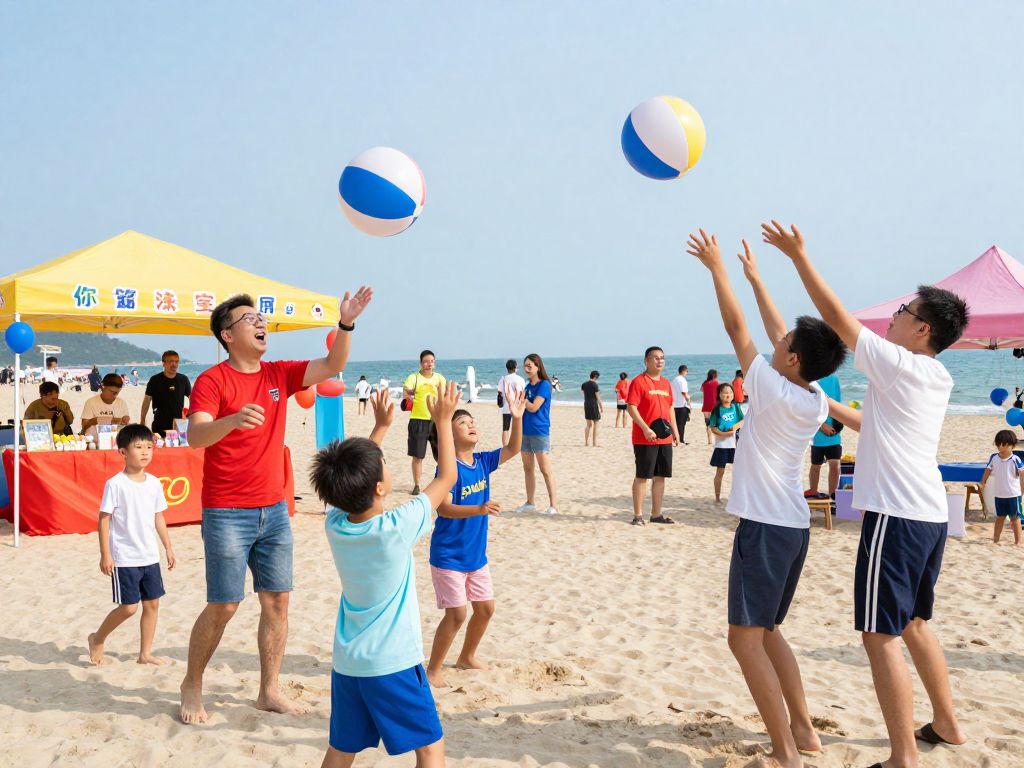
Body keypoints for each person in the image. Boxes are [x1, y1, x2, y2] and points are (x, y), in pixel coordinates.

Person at [764, 219, 969, 763]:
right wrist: (814, 397)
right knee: (914, 623)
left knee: (880, 636)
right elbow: (870, 425)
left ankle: (904, 756)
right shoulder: (932, 378)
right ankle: (947, 723)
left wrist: (798, 257)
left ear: (923, 329)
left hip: (896, 515)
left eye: (905, 312)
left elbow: (837, 319)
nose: (896, 316)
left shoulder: (901, 364)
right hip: (928, 515)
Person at [688, 229, 846, 768]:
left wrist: (719, 271)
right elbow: (783, 332)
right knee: (769, 630)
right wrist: (758, 278)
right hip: (793, 528)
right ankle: (804, 731)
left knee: (744, 640)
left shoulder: (774, 386)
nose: (773, 343)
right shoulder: (814, 393)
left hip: (765, 527)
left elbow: (738, 328)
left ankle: (785, 752)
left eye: (782, 347)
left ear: (793, 360)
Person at [178, 286, 372, 725]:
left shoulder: (278, 374)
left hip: (274, 510)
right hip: (226, 511)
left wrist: (345, 324)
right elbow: (196, 436)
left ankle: (269, 689)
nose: (261, 322)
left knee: (277, 603)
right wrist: (231, 419)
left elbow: (333, 365)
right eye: (249, 319)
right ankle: (192, 684)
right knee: (225, 604)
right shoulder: (213, 380)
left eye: (261, 318)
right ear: (227, 335)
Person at [309, 383, 460, 767]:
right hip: (392, 663)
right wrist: (443, 421)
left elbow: (348, 482)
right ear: (379, 487)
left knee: (342, 749)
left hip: (348, 664)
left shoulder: (336, 523)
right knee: (430, 746)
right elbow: (447, 478)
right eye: (384, 466)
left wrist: (379, 427)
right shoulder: (395, 527)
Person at [426, 390, 525, 688]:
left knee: (485, 609)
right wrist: (479, 508)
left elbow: (513, 449)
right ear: (447, 435)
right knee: (456, 614)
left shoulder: (482, 461)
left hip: (475, 556)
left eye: (472, 420)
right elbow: (443, 508)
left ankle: (466, 657)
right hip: (448, 555)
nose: (471, 424)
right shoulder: (448, 469)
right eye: (462, 422)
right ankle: (433, 670)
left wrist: (517, 418)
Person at [88, 424, 177, 666]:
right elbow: (104, 519)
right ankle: (98, 637)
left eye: (149, 446)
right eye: (138, 447)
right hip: (124, 556)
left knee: (153, 604)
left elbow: (159, 516)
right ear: (123, 453)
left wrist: (168, 547)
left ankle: (145, 654)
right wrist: (105, 554)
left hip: (149, 555)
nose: (145, 452)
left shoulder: (154, 483)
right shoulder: (115, 484)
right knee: (128, 608)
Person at [626, 346, 679, 526]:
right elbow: (631, 407)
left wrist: (675, 431)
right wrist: (645, 428)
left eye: (662, 358)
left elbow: (670, 407)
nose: (660, 361)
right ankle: (638, 515)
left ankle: (656, 514)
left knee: (661, 476)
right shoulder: (638, 382)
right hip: (644, 438)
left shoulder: (666, 383)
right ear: (647, 360)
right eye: (655, 358)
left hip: (664, 437)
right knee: (643, 476)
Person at [517, 353, 559, 515]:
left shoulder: (544, 385)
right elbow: (522, 408)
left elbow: (534, 407)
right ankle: (530, 502)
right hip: (524, 431)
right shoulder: (527, 387)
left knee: (545, 469)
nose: (527, 369)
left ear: (538, 367)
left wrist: (522, 399)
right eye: (525, 366)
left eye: (530, 366)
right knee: (528, 468)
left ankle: (553, 505)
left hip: (539, 431)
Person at [403, 351, 446, 496]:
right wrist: (410, 394)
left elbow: (444, 396)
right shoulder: (413, 377)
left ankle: (442, 481)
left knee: (441, 455)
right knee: (418, 456)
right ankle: (417, 485)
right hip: (418, 420)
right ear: (421, 363)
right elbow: (406, 392)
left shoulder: (440, 378)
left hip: (436, 420)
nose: (429, 364)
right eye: (426, 361)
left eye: (432, 361)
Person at [981, 430, 1023, 545]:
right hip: (999, 494)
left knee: (1015, 518)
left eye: (1004, 444)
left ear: (1012, 445)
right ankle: (996, 539)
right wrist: (983, 482)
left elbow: (1022, 474)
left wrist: (1022, 490)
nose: (1001, 447)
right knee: (1000, 517)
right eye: (998, 444)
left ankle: (1018, 541)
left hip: (1013, 494)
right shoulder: (994, 457)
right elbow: (988, 470)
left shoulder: (1015, 459)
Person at [807, 373, 842, 499]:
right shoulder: (810, 380)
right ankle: (813, 490)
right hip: (817, 432)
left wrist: (838, 425)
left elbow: (838, 403)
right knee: (816, 465)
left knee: (835, 464)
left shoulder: (834, 378)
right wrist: (822, 426)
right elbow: (808, 406)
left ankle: (833, 495)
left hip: (833, 430)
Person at [140, 351, 192, 437]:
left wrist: (190, 416)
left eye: (176, 361)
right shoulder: (155, 380)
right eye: (171, 361)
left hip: (178, 426)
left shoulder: (183, 379)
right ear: (163, 364)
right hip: (159, 425)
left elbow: (193, 399)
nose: (174, 364)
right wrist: (142, 420)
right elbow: (147, 401)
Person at [708, 383, 743, 503]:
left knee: (738, 472)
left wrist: (733, 429)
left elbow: (742, 421)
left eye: (730, 392)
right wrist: (724, 434)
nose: (727, 395)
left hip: (735, 445)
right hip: (722, 446)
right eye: (724, 392)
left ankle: (736, 496)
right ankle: (717, 497)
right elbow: (713, 427)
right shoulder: (717, 410)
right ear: (719, 395)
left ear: (733, 395)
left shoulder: (736, 407)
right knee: (720, 472)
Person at [496, 359, 526, 447]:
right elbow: (523, 393)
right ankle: (519, 444)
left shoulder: (503, 379)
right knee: (519, 427)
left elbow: (500, 392)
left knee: (505, 428)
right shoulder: (520, 379)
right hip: (518, 407)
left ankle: (505, 446)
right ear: (516, 368)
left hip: (506, 407)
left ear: (507, 368)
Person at [581, 370, 602, 447]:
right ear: (595, 377)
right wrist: (601, 407)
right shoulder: (594, 385)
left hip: (586, 404)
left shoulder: (584, 384)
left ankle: (586, 442)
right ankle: (594, 443)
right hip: (593, 405)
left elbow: (583, 394)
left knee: (588, 425)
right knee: (596, 424)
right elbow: (598, 398)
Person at [671, 364, 691, 445]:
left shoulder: (674, 380)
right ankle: (681, 440)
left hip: (675, 405)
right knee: (682, 424)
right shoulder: (682, 380)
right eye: (687, 371)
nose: (687, 373)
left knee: (676, 423)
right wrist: (689, 403)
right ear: (683, 371)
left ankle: (675, 439)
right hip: (682, 405)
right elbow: (684, 392)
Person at [700, 369, 719, 445]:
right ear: (715, 375)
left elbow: (701, 390)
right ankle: (716, 440)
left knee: (708, 424)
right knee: (715, 424)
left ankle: (709, 441)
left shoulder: (704, 383)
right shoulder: (716, 383)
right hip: (714, 406)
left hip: (705, 406)